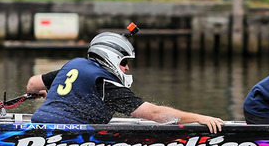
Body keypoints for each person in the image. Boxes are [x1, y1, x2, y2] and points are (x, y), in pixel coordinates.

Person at [27, 29, 224, 133]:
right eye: (124, 63)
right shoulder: (106, 84)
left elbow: (33, 84)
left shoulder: (74, 65)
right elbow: (155, 114)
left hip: (37, 128)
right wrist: (199, 118)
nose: (127, 68)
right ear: (110, 57)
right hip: (65, 138)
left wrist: (49, 93)